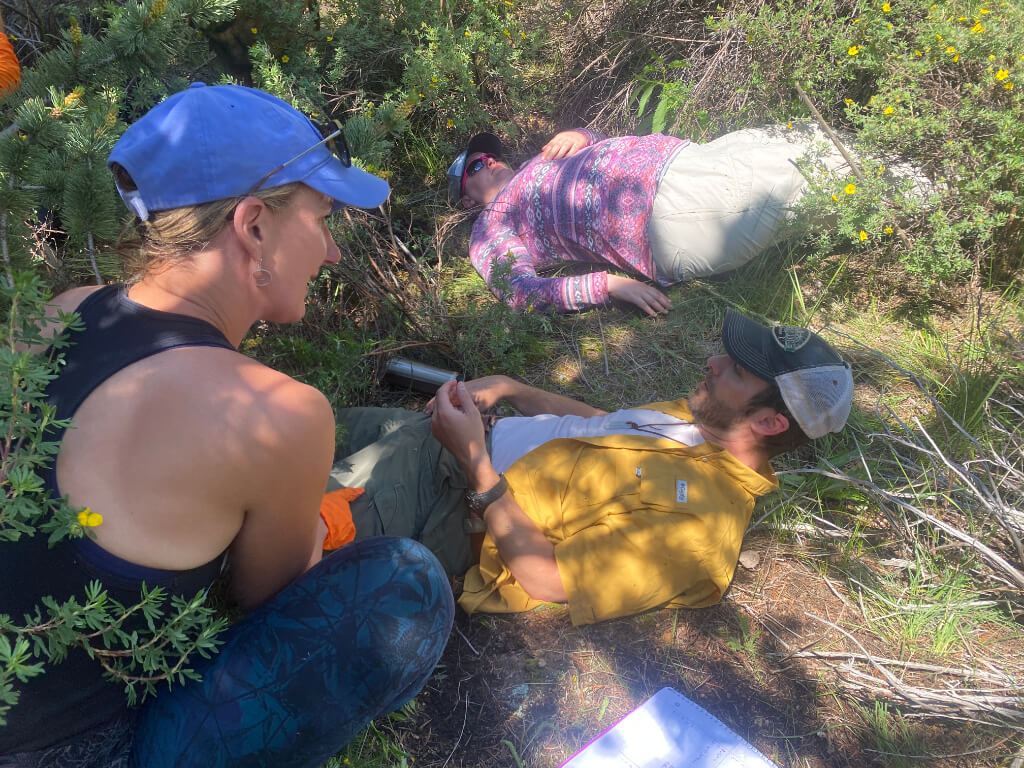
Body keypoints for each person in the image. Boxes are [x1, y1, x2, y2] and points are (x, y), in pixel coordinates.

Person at [0, 84, 453, 767]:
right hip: (85, 753)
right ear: (254, 225)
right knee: (404, 586)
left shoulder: (64, 310)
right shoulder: (279, 414)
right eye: (323, 217)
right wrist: (305, 520)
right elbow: (267, 599)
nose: (331, 252)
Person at [330, 309, 854, 625]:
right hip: (451, 439)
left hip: (447, 496)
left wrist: (475, 464)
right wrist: (513, 389)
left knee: (301, 513)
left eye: (735, 370)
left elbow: (547, 578)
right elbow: (603, 425)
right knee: (309, 426)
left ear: (767, 423)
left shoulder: (699, 533)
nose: (712, 364)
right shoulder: (700, 421)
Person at [446, 124, 857, 316]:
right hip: (669, 210)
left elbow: (598, 147)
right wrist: (608, 285)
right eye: (477, 165)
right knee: (806, 174)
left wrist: (582, 136)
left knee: (803, 138)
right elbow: (520, 292)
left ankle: (893, 164)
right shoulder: (490, 227)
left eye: (490, 155)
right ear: (466, 201)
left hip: (690, 159)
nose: (491, 160)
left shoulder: (534, 165)